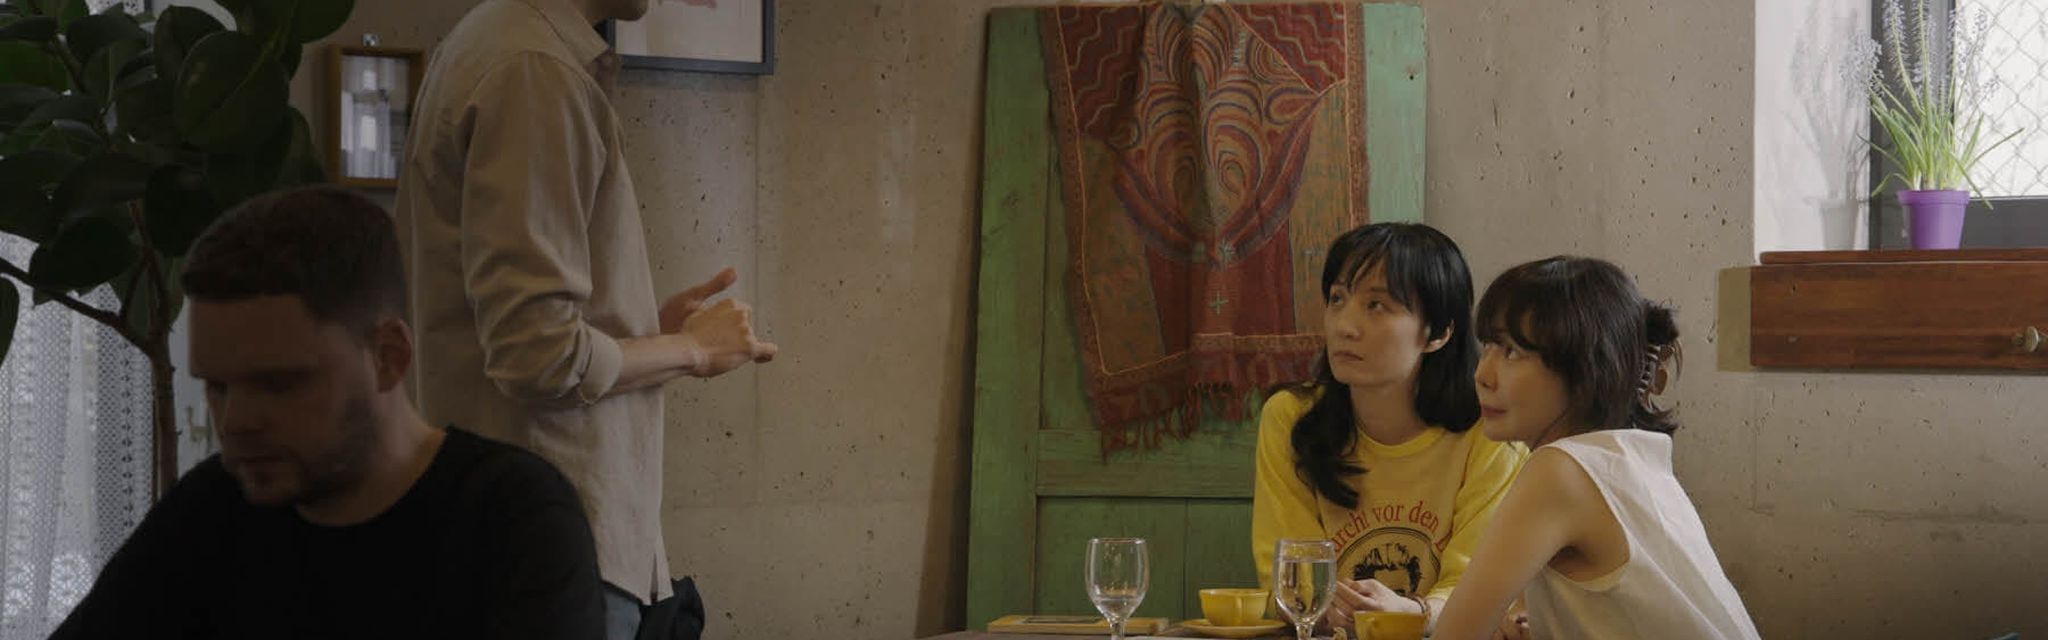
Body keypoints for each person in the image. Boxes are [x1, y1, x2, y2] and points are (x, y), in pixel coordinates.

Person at [51, 186, 604, 639]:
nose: (236, 420)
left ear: (387, 357)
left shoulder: (511, 519)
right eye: (217, 386)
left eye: (278, 384)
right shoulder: (212, 509)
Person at [395, 0, 778, 635]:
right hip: (548, 545)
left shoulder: (499, 42)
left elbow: (511, 328)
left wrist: (648, 331)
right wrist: (693, 351)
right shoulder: (533, 68)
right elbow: (537, 355)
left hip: (511, 535)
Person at [1433, 256, 1761, 640]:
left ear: (1585, 368)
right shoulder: (1629, 456)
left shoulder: (1559, 470)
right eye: (1487, 345)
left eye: (1512, 352)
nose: (1482, 375)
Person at [1251, 223, 1527, 634]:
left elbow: (1479, 589)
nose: (1344, 326)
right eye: (1337, 299)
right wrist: (1328, 609)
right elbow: (1291, 581)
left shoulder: (1489, 433)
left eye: (1376, 305)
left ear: (1438, 332)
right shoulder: (1291, 418)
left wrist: (1411, 611)